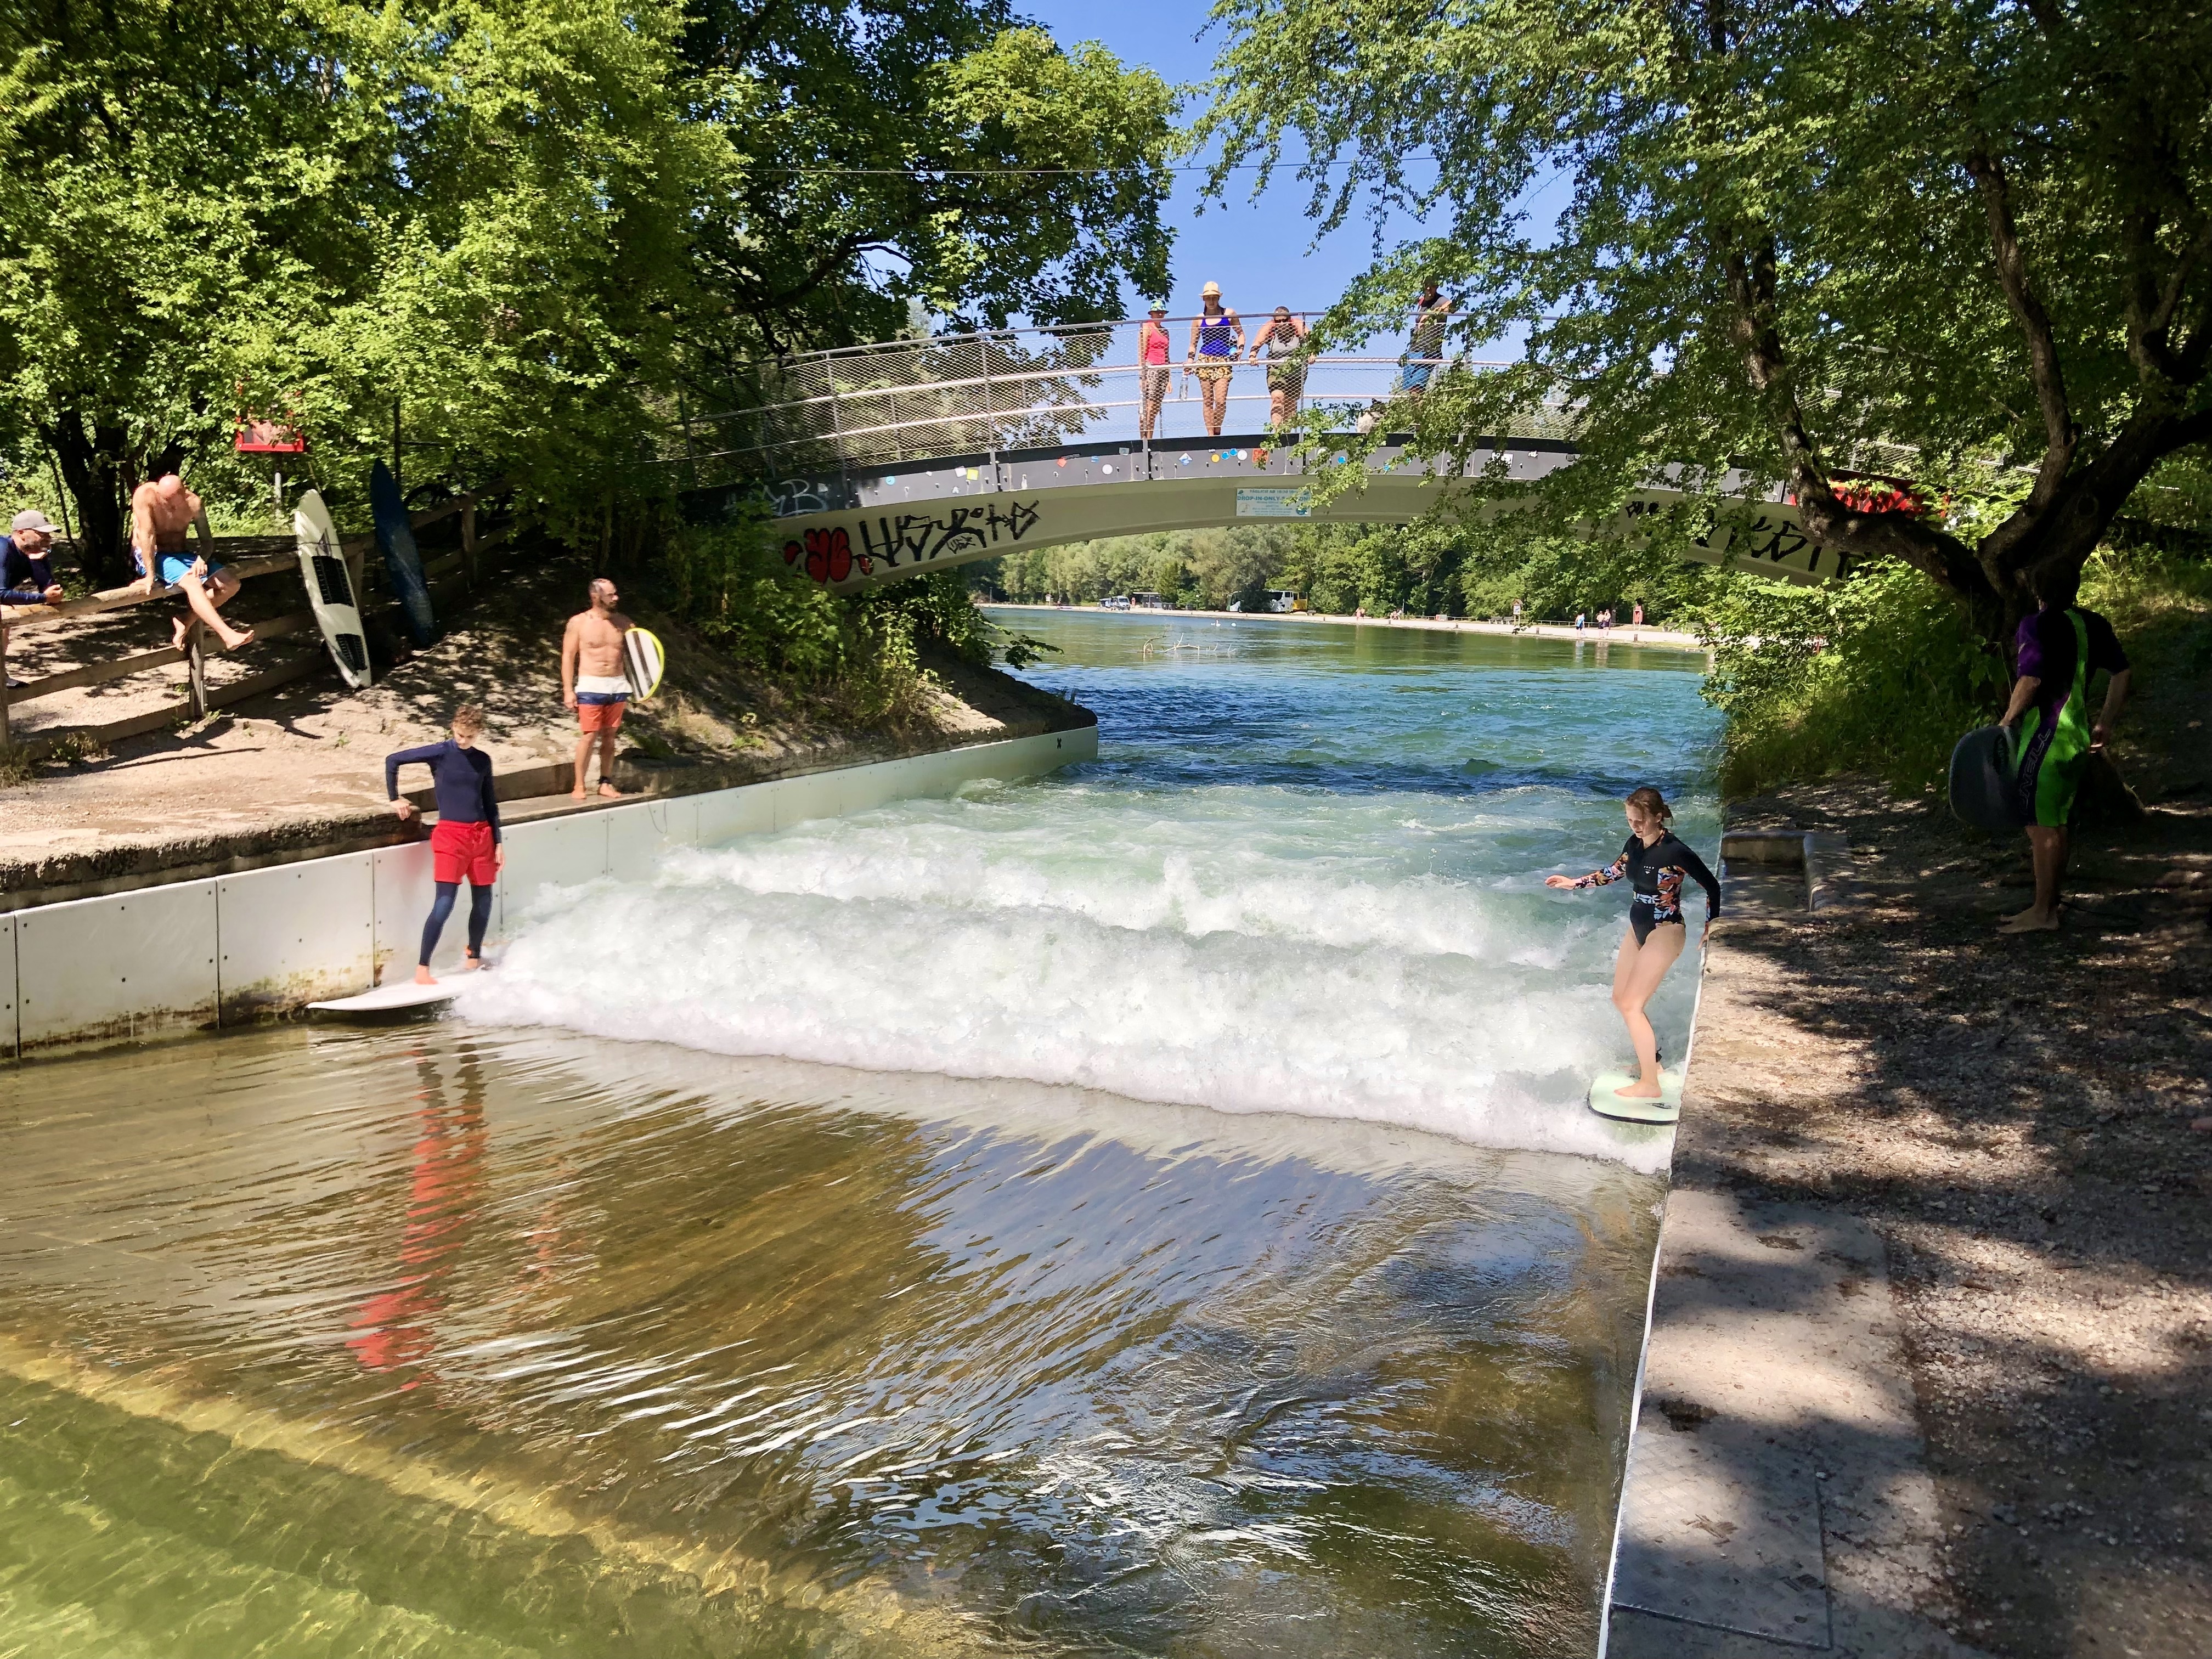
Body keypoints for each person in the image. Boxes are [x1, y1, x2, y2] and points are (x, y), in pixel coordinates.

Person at [1547, 786, 1720, 1100]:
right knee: (1620, 998)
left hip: (1666, 931)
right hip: (1637, 928)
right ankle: (1653, 1064)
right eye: (1630, 821)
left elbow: (1712, 885)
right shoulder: (1634, 845)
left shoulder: (1675, 851)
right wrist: (1575, 883)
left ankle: (1650, 1085)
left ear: (1657, 816)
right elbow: (1615, 871)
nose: (1636, 827)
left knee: (1632, 1005)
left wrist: (1711, 924)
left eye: (1641, 820)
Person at [1996, 565, 2132, 933]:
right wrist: (2106, 721)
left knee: (2040, 828)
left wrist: (2007, 720)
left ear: (2036, 589)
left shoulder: (2035, 624)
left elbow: (2032, 678)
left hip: (2046, 736)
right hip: (2077, 736)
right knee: (2056, 823)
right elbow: (2122, 672)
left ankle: (2043, 913)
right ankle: (2049, 907)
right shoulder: (2093, 623)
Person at [387, 704, 503, 984]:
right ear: (453, 728)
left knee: (484, 901)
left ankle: (474, 956)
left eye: (469, 737)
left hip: (482, 835)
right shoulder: (440, 753)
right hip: (451, 835)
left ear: (478, 734)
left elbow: (490, 803)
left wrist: (498, 841)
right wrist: (395, 798)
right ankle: (422, 968)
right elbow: (393, 760)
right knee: (444, 902)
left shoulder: (483, 760)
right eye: (460, 734)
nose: (463, 740)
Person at [129, 472, 253, 651]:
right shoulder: (146, 495)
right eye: (164, 500)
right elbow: (147, 536)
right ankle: (228, 636)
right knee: (192, 582)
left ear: (184, 493)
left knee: (231, 584)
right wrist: (150, 576)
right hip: (151, 553)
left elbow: (208, 542)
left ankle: (185, 619)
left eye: (172, 502)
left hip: (179, 553)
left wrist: (201, 559)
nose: (167, 506)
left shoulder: (195, 504)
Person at [562, 576, 634, 799]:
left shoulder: (624, 623)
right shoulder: (579, 623)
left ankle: (605, 782)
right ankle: (580, 785)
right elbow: (568, 656)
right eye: (610, 594)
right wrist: (568, 690)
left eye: (615, 593)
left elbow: (639, 656)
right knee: (589, 735)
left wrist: (643, 688)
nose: (616, 598)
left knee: (611, 736)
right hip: (591, 684)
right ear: (596, 596)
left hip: (617, 684)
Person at [1186, 282, 1243, 437]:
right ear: (1203, 300)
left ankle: (1217, 429)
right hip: (1205, 360)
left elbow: (1240, 334)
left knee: (1221, 400)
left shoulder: (1229, 313)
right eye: (1208, 298)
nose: (1211, 301)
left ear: (1219, 298)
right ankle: (1211, 435)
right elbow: (1193, 344)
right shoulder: (1199, 319)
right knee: (1207, 400)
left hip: (1223, 360)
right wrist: (1190, 362)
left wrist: (1240, 349)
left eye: (1214, 298)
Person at [1249, 306, 1308, 428]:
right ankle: (1277, 431)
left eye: (1284, 320)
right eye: (1278, 321)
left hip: (1296, 370)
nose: (1282, 324)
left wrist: (1312, 354)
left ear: (1289, 319)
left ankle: (1287, 433)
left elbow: (1311, 340)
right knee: (1278, 398)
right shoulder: (1270, 328)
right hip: (1276, 370)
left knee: (1291, 403)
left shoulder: (1297, 325)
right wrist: (1253, 355)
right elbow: (1258, 342)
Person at [1397, 279, 1449, 397]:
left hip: (1428, 351)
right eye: (1427, 286)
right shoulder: (1422, 302)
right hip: (1414, 350)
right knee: (1411, 389)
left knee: (1417, 388)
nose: (1429, 289)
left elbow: (1450, 307)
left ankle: (1419, 414)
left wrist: (1429, 315)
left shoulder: (1440, 300)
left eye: (1432, 286)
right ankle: (1415, 414)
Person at [1137, 303, 1173, 441]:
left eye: (1162, 312)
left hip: (1163, 369)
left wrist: (1169, 378)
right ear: (1151, 313)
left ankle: (1151, 439)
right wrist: (1143, 376)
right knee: (1148, 407)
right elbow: (1142, 352)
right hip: (1150, 368)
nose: (1160, 315)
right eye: (1157, 312)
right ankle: (1144, 440)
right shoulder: (1146, 327)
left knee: (1156, 408)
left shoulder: (1165, 332)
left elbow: (1167, 354)